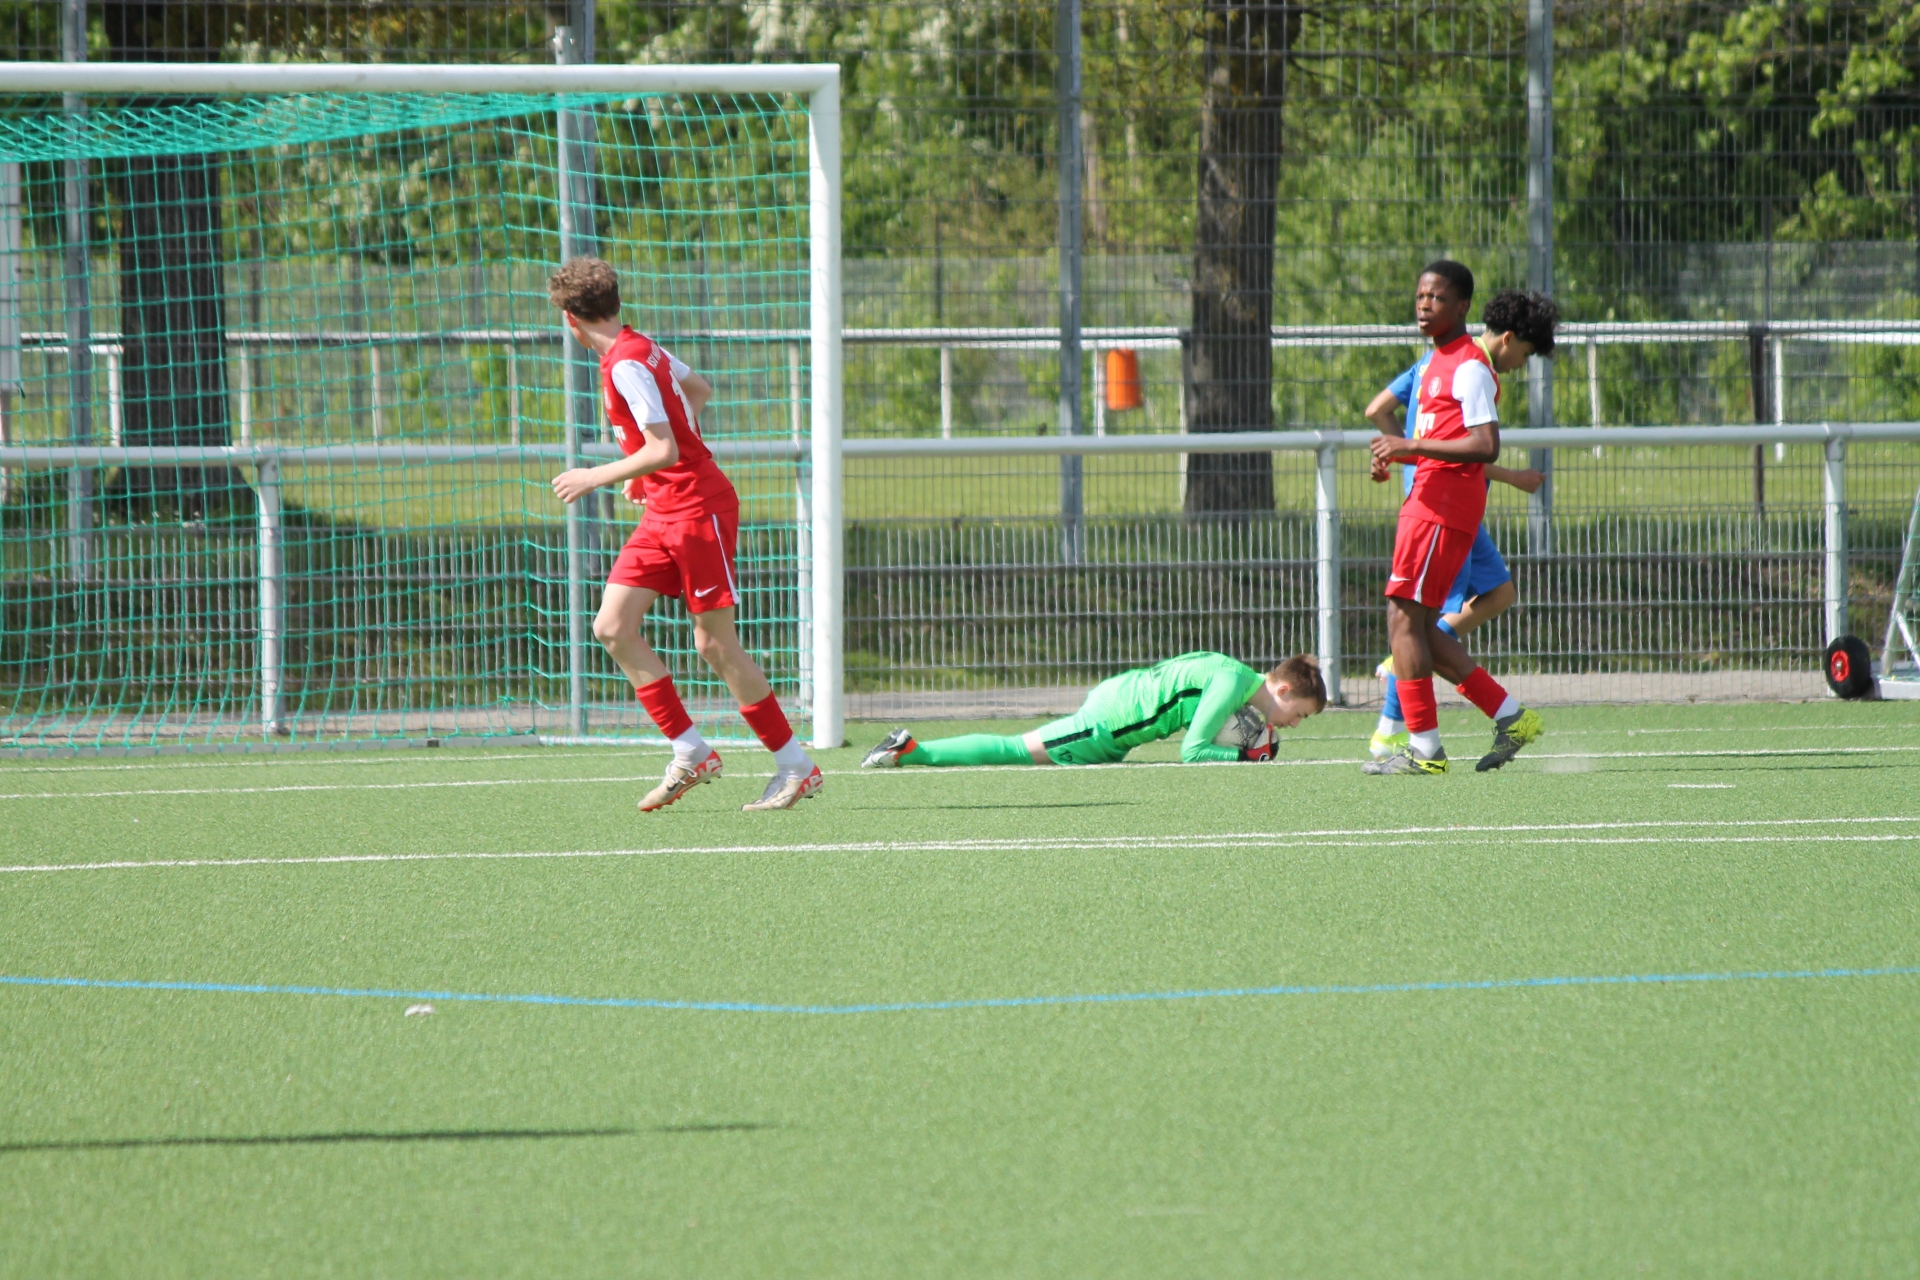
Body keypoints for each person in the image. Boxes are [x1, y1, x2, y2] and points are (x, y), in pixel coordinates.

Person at [546, 256, 822, 812]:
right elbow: (698, 390)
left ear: (570, 319)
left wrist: (598, 475)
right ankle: (691, 750)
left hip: (698, 509)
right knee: (613, 626)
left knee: (714, 644)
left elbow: (665, 447)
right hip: (663, 511)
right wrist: (646, 474)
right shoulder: (640, 347)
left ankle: (796, 765)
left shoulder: (627, 363)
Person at [1362, 261, 1546, 776]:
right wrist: (1395, 454)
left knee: (1404, 619)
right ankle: (1511, 716)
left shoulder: (1468, 365)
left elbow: (1486, 445)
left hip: (1441, 509)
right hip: (1428, 502)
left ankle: (1423, 747)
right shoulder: (1434, 362)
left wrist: (1411, 445)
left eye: (1437, 298)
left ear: (1462, 306)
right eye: (1421, 296)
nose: (1425, 305)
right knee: (1418, 625)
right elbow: (1425, 436)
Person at [860, 652, 1326, 769]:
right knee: (1013, 750)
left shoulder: (1233, 674)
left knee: (1017, 751)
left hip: (1119, 706)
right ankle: (912, 750)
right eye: (1299, 713)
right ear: (1283, 689)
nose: (1293, 723)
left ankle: (912, 749)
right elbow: (1193, 751)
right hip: (1109, 722)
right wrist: (1243, 757)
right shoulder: (1229, 684)